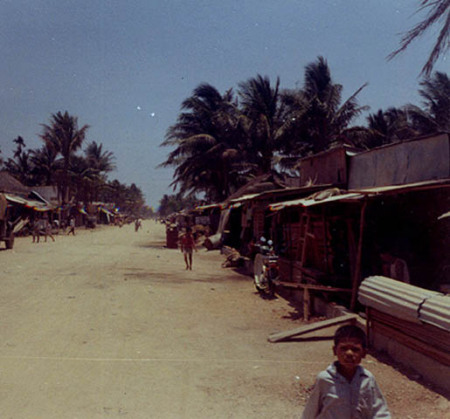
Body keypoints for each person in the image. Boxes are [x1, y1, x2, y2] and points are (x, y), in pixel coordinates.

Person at [301, 325, 391, 419]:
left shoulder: (367, 379)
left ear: (364, 353)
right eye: (343, 348)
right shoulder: (324, 379)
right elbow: (310, 411)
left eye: (355, 349)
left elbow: (380, 412)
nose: (349, 353)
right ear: (335, 351)